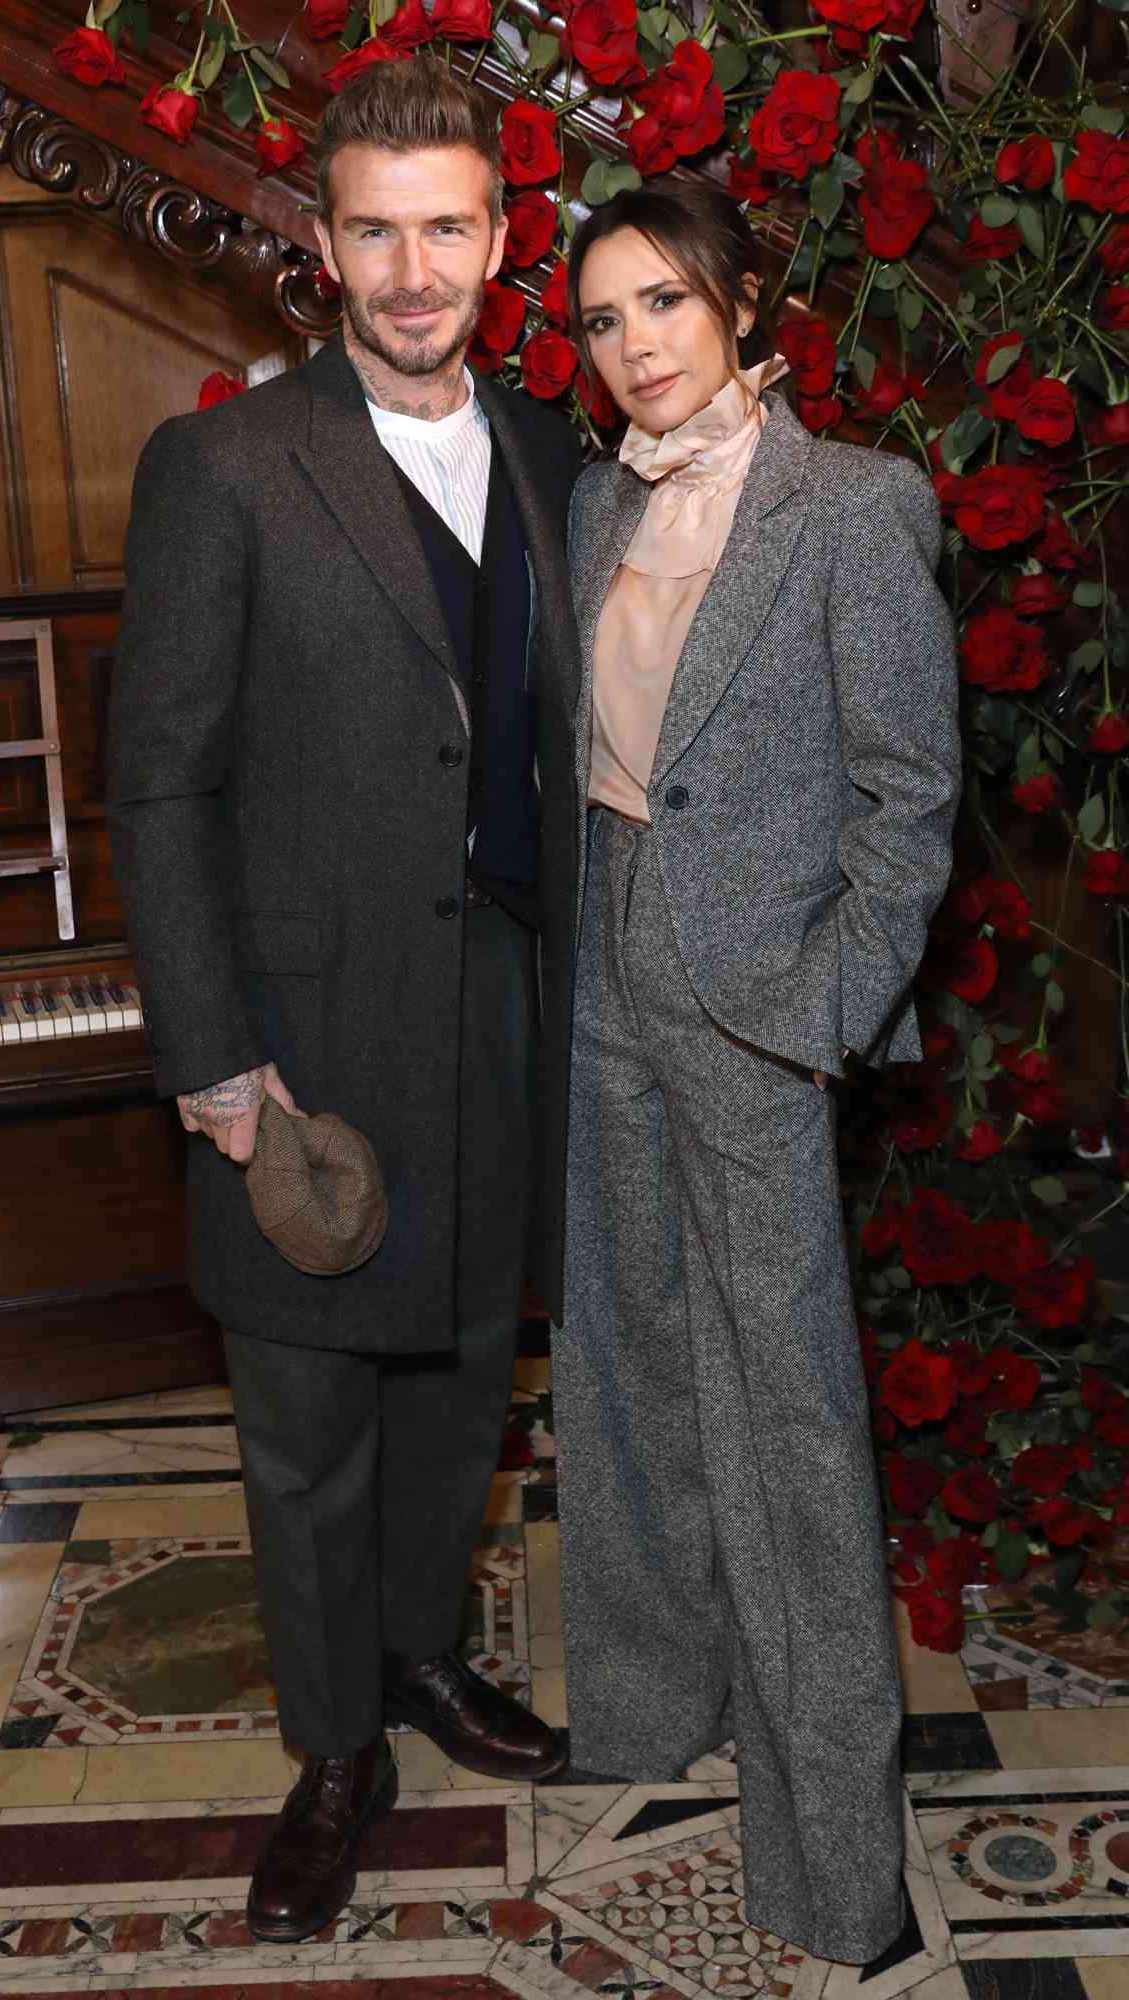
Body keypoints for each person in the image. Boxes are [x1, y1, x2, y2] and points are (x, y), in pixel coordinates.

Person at [108, 59, 584, 1946]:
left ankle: (416, 1656)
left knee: (467, 1372)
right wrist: (215, 1051)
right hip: (301, 1035)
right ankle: (332, 1753)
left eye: (445, 226)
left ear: (495, 238)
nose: (410, 267)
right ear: (320, 240)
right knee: (306, 1416)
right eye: (373, 227)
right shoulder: (224, 463)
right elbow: (158, 781)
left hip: (506, 1005)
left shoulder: (551, 452)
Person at [552, 178, 960, 1966]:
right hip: (600, 992)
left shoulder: (857, 508)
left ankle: (833, 1872)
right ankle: (653, 1719)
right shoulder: (589, 503)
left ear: (733, 307)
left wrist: (814, 1016)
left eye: (662, 305)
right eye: (600, 320)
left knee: (787, 1430)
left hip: (751, 1014)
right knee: (629, 1376)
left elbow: (911, 807)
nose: (634, 346)